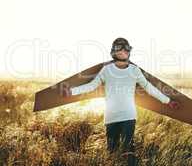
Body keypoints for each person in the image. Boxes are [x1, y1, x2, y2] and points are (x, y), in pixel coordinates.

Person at [61, 37, 180, 165]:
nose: (123, 50)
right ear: (114, 52)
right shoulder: (107, 70)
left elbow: (149, 88)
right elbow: (92, 85)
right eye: (119, 48)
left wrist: (168, 101)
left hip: (128, 116)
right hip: (111, 117)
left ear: (129, 51)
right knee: (112, 153)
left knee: (128, 152)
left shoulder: (135, 70)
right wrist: (71, 92)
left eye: (125, 48)